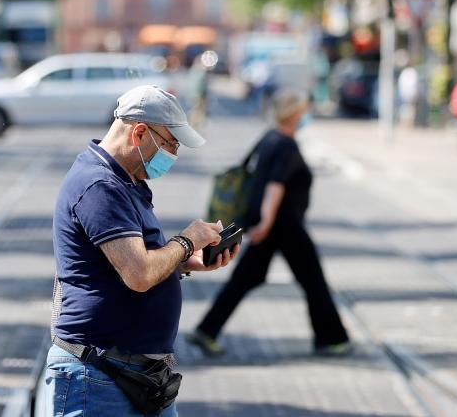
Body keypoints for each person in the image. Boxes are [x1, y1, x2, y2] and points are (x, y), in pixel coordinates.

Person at [38, 85, 238, 416]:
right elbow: (139, 274)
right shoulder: (99, 186)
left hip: (135, 376)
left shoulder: (126, 183)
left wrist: (185, 262)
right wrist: (186, 240)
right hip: (97, 376)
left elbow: (129, 264)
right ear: (140, 132)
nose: (173, 155)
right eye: (170, 144)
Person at [187, 88, 351, 358]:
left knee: (245, 279)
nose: (306, 114)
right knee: (313, 280)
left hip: (274, 225)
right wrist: (266, 220)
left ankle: (207, 330)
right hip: (284, 225)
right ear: (296, 113)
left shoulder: (270, 137)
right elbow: (275, 185)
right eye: (304, 110)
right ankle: (331, 338)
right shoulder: (286, 144)